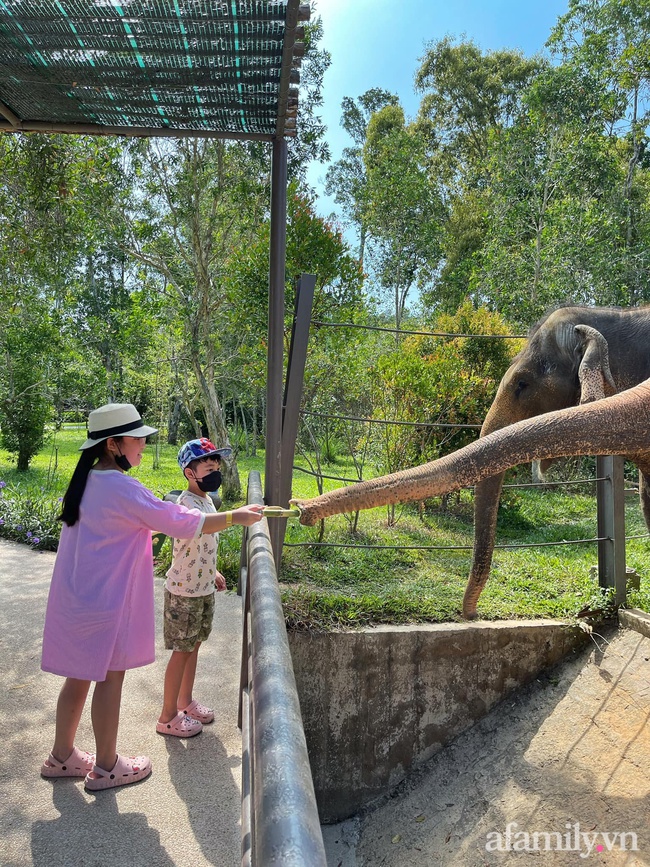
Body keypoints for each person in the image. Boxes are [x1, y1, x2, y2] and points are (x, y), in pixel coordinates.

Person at [40, 404, 264, 791]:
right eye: (137, 437)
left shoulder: (87, 480)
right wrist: (235, 517)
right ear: (113, 444)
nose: (144, 443)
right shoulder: (123, 488)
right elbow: (178, 521)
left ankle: (62, 757)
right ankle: (107, 766)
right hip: (105, 604)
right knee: (110, 678)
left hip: (77, 599)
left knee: (77, 679)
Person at [156, 438, 232, 738]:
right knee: (181, 651)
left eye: (216, 466)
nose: (215, 472)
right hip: (184, 592)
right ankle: (167, 716)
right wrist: (235, 517)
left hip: (202, 588)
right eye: (208, 467)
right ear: (190, 473)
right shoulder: (185, 504)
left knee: (194, 646)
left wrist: (212, 570)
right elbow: (201, 526)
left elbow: (198, 543)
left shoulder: (207, 499)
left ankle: (185, 702)